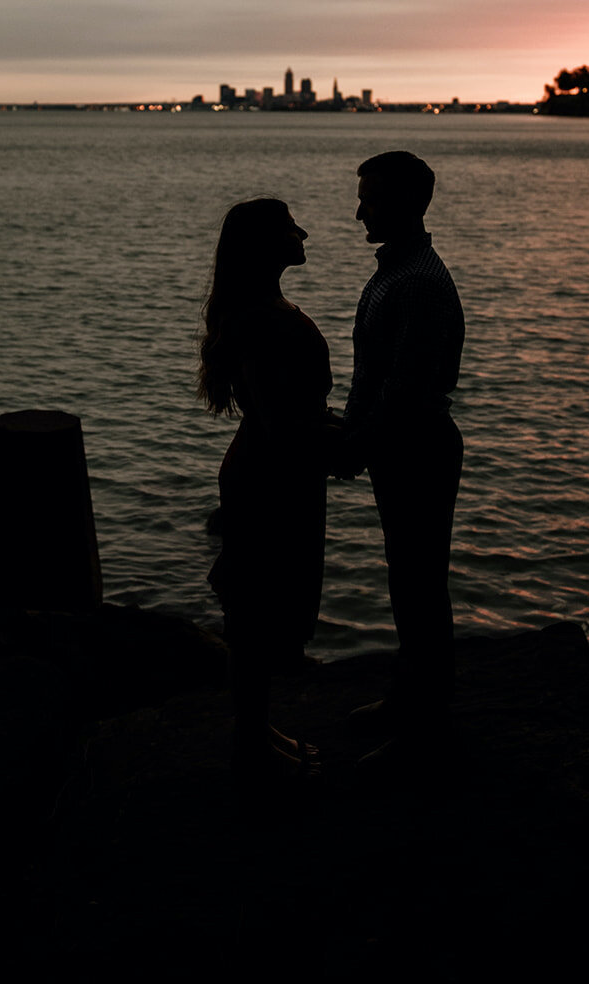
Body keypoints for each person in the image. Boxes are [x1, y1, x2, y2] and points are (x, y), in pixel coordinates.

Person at [199, 198, 333, 780]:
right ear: (265, 244)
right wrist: (346, 444)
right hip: (271, 477)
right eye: (289, 227)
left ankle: (256, 731)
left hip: (272, 467)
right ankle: (249, 747)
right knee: (258, 613)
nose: (302, 233)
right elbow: (283, 422)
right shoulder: (262, 318)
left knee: (266, 608)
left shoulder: (263, 309)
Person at [340, 151, 465, 749]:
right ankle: (415, 704)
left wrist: (352, 446)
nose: (359, 210)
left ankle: (423, 718)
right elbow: (376, 376)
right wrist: (352, 434)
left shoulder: (415, 282)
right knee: (410, 579)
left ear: (407, 206)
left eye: (371, 198)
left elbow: (404, 389)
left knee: (418, 583)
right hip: (401, 445)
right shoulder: (398, 269)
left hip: (417, 448)